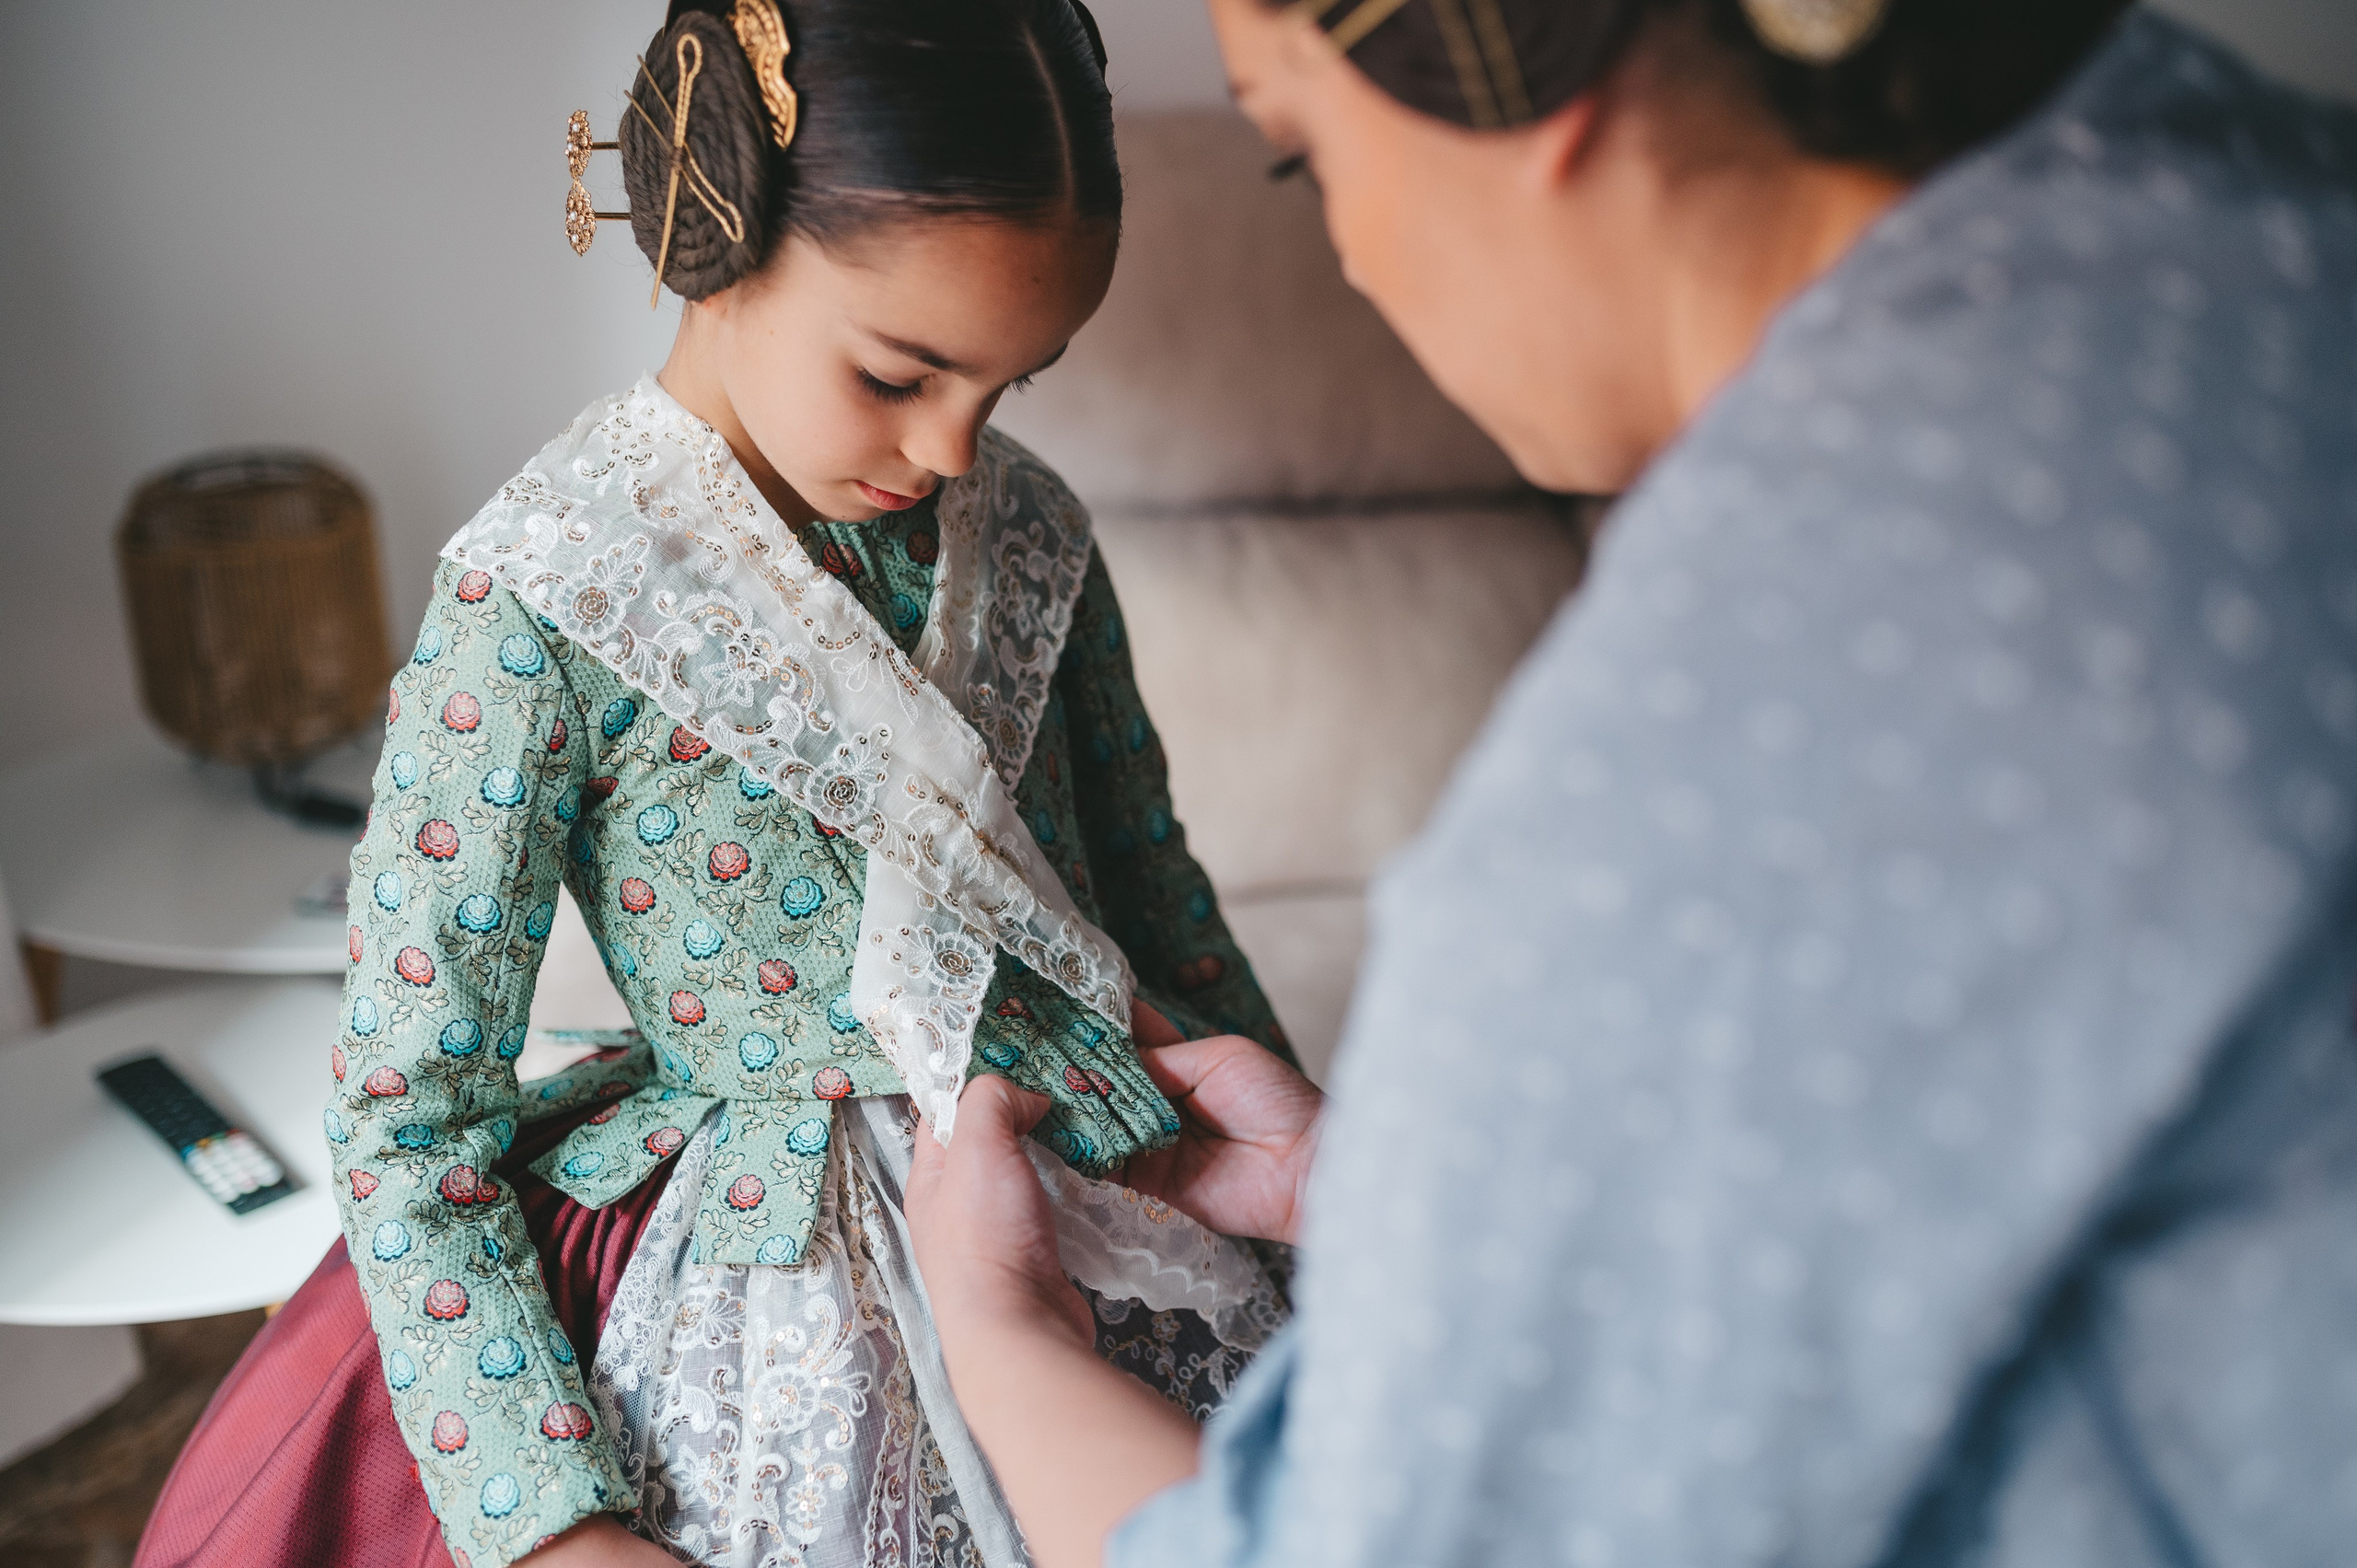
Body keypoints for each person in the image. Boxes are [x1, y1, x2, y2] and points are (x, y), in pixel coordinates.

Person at [905, 0, 2357, 1565]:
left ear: (1504, 73)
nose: (1352, 258)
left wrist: (1000, 1334)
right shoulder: (2252, 207)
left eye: (1298, 154)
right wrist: (1401, 1192)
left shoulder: (1769, 701)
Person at [133, 4, 1297, 1566]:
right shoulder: (547, 595)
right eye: (902, 372)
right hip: (774, 1312)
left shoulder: (1033, 538)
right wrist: (551, 1529)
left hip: (1111, 1218)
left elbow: (1165, 922)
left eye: (1012, 388)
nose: (957, 449)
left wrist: (1336, 1221)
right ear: (711, 226)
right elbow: (410, 1120)